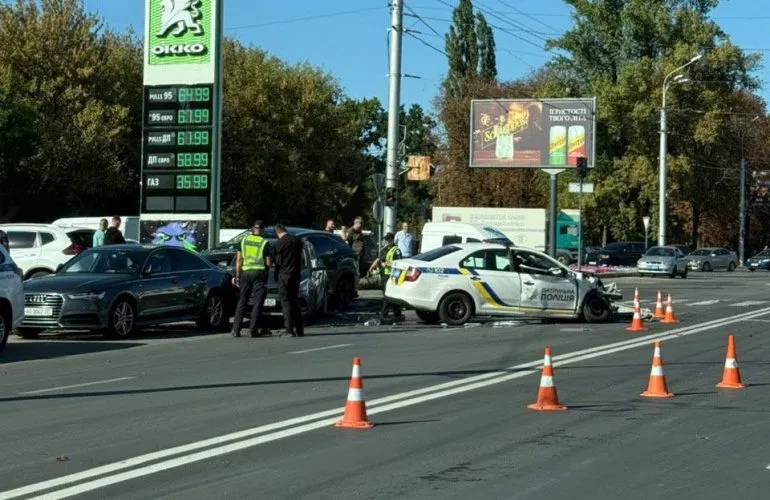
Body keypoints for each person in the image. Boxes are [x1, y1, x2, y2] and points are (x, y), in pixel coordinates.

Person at [231, 220, 273, 338]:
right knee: (258, 302)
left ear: (253, 229)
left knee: (242, 301)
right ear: (262, 230)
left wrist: (237, 275)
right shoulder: (264, 242)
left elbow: (239, 260)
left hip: (245, 273)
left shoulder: (244, 240)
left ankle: (236, 329)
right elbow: (269, 262)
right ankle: (253, 330)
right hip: (258, 273)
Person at [274, 224, 304, 337]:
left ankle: (289, 330)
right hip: (296, 274)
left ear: (277, 233)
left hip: (284, 275)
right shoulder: (297, 240)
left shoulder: (280, 243)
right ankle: (299, 329)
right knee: (295, 301)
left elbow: (278, 262)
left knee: (286, 302)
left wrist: (276, 275)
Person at [368, 232, 404, 323]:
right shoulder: (383, 250)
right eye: (386, 240)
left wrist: (387, 264)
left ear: (392, 240)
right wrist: (371, 269)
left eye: (389, 240)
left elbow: (399, 263)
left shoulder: (396, 250)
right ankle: (397, 314)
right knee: (390, 295)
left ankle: (383, 314)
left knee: (387, 296)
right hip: (384, 275)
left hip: (392, 276)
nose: (387, 241)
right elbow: (378, 260)